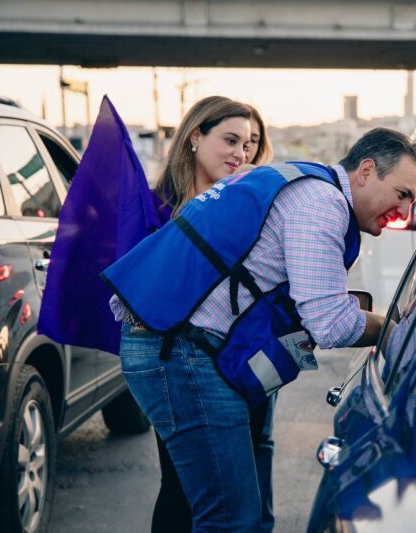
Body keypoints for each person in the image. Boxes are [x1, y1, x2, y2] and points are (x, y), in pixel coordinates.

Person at [105, 127, 416, 531]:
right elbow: (330, 323)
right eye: (402, 194)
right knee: (231, 518)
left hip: (178, 345)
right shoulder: (322, 203)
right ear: (366, 171)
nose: (404, 212)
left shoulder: (299, 180)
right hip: (183, 355)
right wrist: (393, 328)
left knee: (205, 507)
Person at [151, 101, 279, 533]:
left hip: (250, 361)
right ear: (195, 137)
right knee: (181, 486)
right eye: (232, 140)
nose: (242, 153)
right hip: (182, 360)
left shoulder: (252, 202)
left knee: (253, 472)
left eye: (251, 144)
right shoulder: (158, 207)